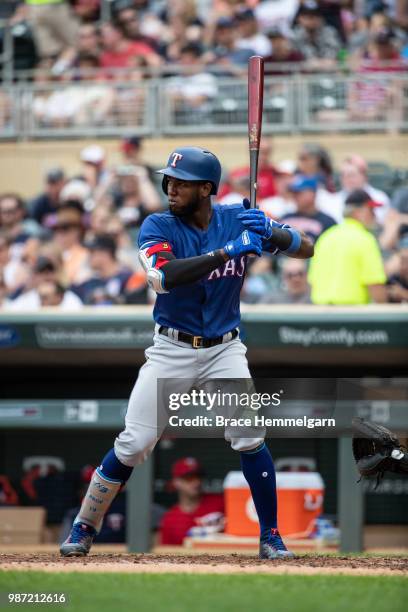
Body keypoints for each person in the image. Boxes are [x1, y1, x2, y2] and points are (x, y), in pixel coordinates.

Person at [60, 146, 313, 560]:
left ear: (207, 189)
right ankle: (84, 526)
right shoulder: (157, 224)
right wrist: (230, 251)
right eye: (170, 180)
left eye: (182, 183)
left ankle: (270, 536)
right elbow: (163, 278)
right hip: (170, 348)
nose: (172, 188)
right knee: (134, 442)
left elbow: (308, 249)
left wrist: (272, 233)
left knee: (249, 436)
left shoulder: (236, 217)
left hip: (224, 348)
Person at [308, 189, 387, 304]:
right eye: (371, 209)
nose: (374, 214)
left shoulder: (326, 236)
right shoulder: (365, 239)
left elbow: (312, 281)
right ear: (358, 212)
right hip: (352, 315)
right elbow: (375, 284)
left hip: (320, 313)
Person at [159, 457, 224, 546]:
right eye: (189, 478)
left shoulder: (220, 502)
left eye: (198, 477)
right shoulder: (170, 518)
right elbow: (165, 553)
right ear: (176, 482)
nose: (196, 482)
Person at [281, 176, 337, 243]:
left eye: (299, 193)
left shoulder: (328, 222)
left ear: (313, 194)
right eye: (294, 193)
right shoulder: (285, 218)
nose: (295, 196)